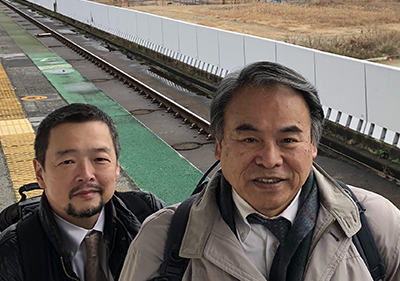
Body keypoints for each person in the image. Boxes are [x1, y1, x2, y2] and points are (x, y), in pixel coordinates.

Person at [120, 61, 400, 281]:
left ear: (313, 145)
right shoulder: (161, 239)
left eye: (288, 140)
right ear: (218, 145)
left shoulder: (376, 225)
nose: (269, 159)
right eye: (249, 139)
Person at [0, 103, 165, 281]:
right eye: (68, 162)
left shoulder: (150, 215)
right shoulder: (11, 254)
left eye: (100, 159)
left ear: (117, 167)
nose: (86, 175)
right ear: (40, 173)